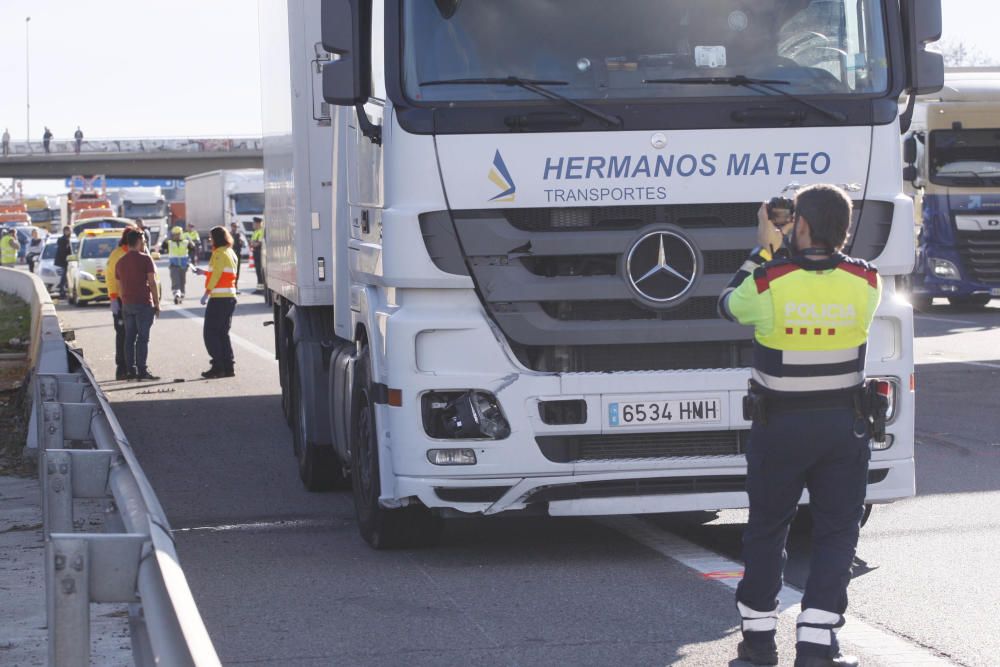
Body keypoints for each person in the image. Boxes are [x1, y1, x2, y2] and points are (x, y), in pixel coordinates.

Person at [718, 185, 881, 667]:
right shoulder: (866, 282)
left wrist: (764, 246)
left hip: (780, 429)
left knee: (768, 531)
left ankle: (759, 645)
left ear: (800, 225)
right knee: (836, 534)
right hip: (842, 429)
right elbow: (838, 273)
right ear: (845, 230)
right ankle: (816, 647)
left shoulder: (770, 279)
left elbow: (727, 303)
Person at [115, 230, 160, 381]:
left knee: (129, 338)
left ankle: (130, 371)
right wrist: (157, 303)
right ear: (140, 241)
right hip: (143, 304)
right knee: (142, 338)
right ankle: (142, 370)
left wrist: (125, 300)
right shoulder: (146, 259)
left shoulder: (120, 262)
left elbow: (119, 288)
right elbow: (152, 283)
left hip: (127, 305)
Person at [194, 226, 238, 378]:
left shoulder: (218, 253)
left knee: (210, 333)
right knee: (223, 333)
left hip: (219, 298)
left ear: (217, 238)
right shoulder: (230, 252)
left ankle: (218, 366)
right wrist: (204, 272)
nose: (209, 240)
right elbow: (223, 273)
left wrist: (206, 293)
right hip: (230, 297)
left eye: (211, 237)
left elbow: (217, 275)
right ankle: (228, 367)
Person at [106, 226, 136, 380]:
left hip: (136, 299)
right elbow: (110, 277)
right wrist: (113, 298)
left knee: (135, 334)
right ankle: (122, 367)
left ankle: (135, 365)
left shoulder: (140, 253)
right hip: (120, 299)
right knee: (123, 333)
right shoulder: (117, 255)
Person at [160, 225, 193, 299]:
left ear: (181, 234)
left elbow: (193, 248)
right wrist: (166, 239)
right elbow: (162, 247)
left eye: (178, 234)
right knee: (175, 281)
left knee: (182, 281)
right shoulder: (170, 243)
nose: (176, 236)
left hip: (183, 266)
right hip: (174, 266)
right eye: (175, 234)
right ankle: (176, 294)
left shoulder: (185, 242)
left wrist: (190, 241)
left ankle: (182, 294)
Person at [54, 226, 72, 298]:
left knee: (65, 277)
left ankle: (63, 291)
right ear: (64, 231)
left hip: (66, 260)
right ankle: (62, 291)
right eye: (67, 231)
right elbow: (63, 251)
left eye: (69, 231)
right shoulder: (63, 240)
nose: (68, 232)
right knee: (64, 277)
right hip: (64, 261)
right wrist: (67, 259)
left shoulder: (67, 239)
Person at [229, 221, 246, 293]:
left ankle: (235, 287)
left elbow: (244, 244)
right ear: (231, 227)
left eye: (236, 227)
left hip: (237, 255)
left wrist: (242, 242)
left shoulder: (239, 235)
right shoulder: (228, 235)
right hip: (230, 256)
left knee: (237, 272)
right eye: (234, 226)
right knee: (230, 272)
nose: (235, 228)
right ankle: (230, 287)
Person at [250, 217, 264, 291]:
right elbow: (252, 243)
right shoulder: (255, 232)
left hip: (259, 253)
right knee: (257, 271)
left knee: (260, 271)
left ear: (258, 223)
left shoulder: (261, 231)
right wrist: (253, 243)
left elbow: (258, 243)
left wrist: (254, 243)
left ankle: (261, 289)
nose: (253, 224)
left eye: (254, 223)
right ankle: (259, 289)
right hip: (256, 253)